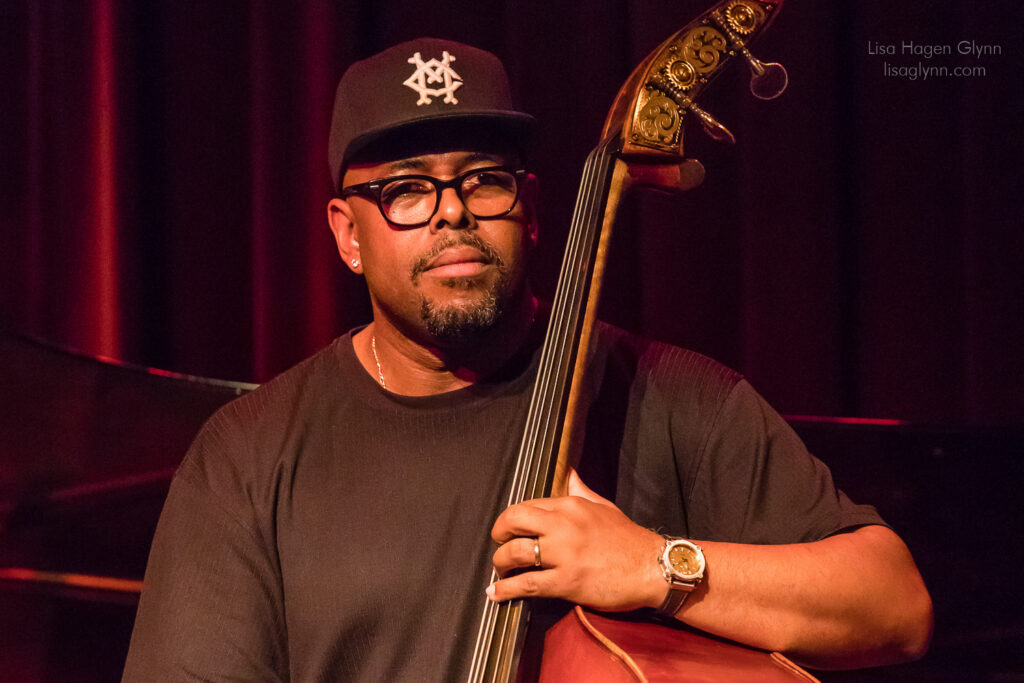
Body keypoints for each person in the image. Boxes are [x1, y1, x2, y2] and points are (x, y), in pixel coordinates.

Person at [122, 38, 932, 681]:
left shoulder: (672, 397)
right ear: (346, 233)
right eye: (406, 190)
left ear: (533, 209)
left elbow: (894, 605)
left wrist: (657, 565)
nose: (453, 215)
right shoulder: (248, 456)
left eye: (485, 181)